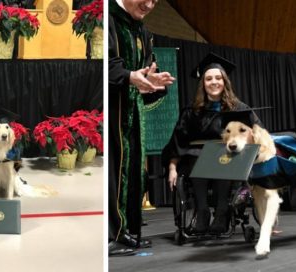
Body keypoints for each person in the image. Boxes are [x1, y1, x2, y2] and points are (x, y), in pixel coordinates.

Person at [162, 52, 262, 234]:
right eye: (209, 79)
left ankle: (222, 212)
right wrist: (172, 168)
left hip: (229, 161)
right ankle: (202, 212)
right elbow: (177, 141)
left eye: (218, 78)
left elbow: (258, 134)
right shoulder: (192, 112)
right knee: (196, 156)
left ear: (225, 82)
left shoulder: (239, 109)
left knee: (222, 156)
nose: (214, 82)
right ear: (203, 83)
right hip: (196, 161)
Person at [109, 0, 175, 256]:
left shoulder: (142, 30)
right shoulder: (109, 18)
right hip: (112, 111)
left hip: (131, 113)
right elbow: (107, 64)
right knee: (115, 170)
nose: (149, 5)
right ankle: (110, 235)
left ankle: (127, 232)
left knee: (133, 170)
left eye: (155, 1)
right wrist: (128, 76)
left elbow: (144, 73)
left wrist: (152, 81)